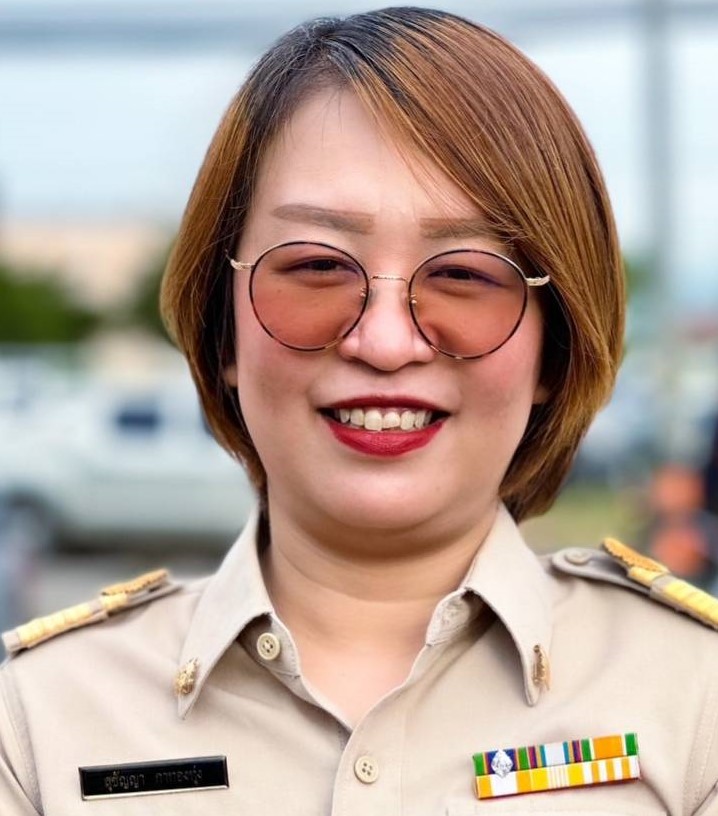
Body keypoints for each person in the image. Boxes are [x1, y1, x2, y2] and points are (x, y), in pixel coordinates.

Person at [2, 7, 718, 814]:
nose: (384, 341)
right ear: (223, 328)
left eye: (466, 275)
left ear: (553, 350)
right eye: (316, 266)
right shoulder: (37, 721)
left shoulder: (696, 700)